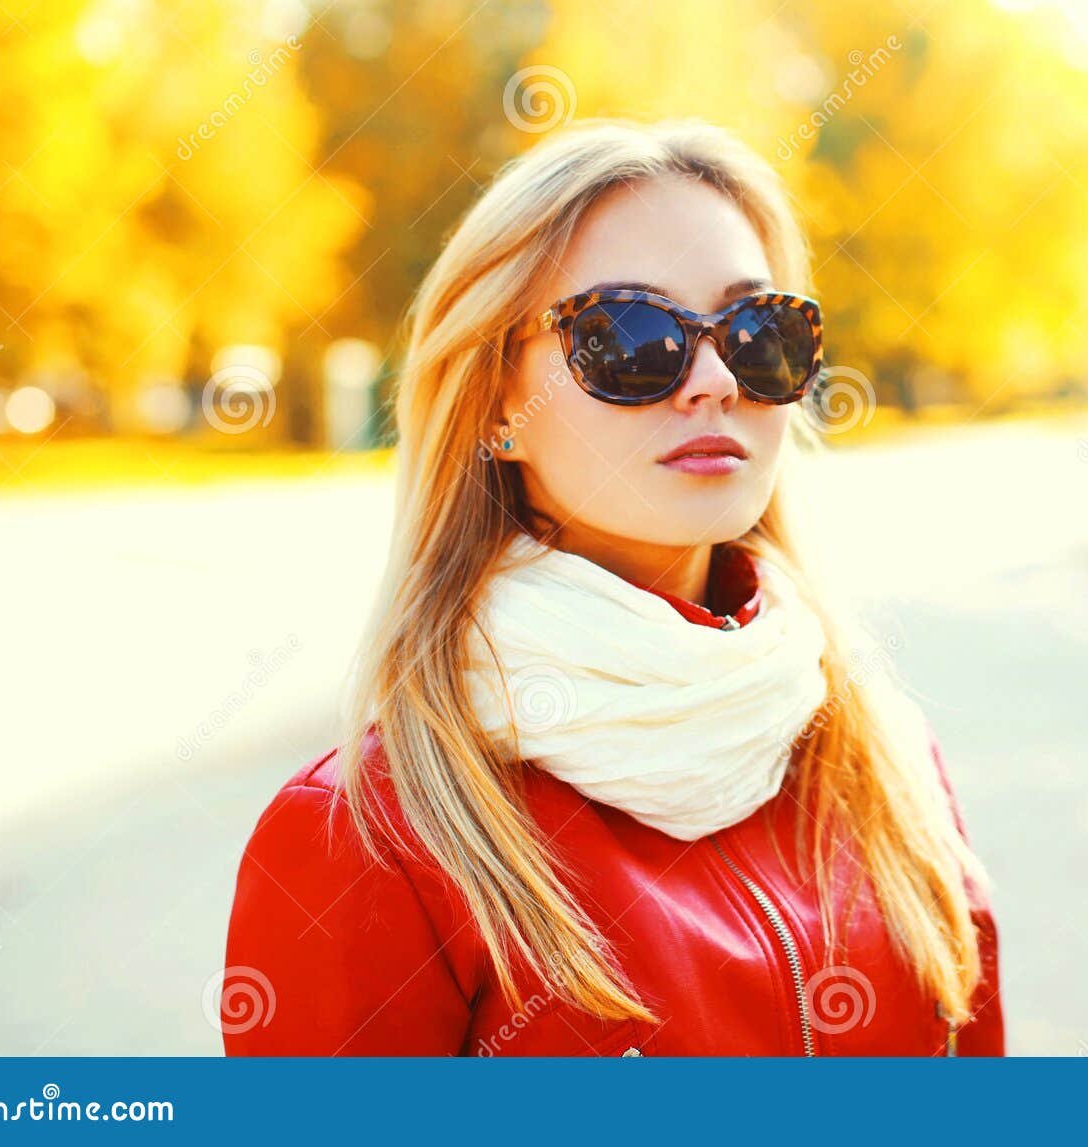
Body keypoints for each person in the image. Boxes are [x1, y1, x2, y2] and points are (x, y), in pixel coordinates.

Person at [221, 116, 1004, 1056]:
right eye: (630, 335)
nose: (715, 381)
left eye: (760, 333)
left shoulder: (889, 761)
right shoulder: (368, 844)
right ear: (496, 404)